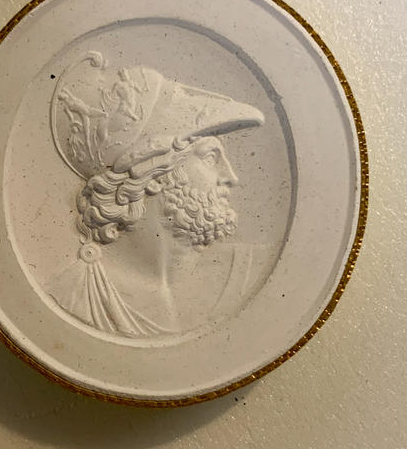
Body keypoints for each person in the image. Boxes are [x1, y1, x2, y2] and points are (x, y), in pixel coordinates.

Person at [48, 51, 265, 337]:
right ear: (152, 173)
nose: (231, 177)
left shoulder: (251, 271)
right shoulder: (74, 296)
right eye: (211, 157)